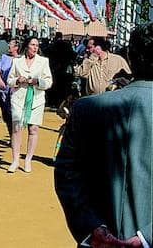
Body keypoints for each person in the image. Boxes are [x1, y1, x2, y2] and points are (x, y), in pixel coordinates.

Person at [55, 22, 152, 248]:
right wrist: (146, 238)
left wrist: (92, 228)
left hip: (98, 239)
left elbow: (66, 173)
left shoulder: (85, 109)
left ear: (130, 57)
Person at [6, 37, 53, 173]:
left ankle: (28, 160)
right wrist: (17, 80)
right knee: (17, 128)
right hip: (19, 98)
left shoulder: (43, 61)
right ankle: (15, 160)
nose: (35, 48)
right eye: (32, 45)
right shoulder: (16, 61)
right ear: (26, 46)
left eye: (37, 45)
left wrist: (37, 81)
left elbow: (49, 81)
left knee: (33, 129)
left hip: (36, 99)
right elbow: (9, 80)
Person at [0, 38, 20, 141]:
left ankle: (16, 137)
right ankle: (11, 135)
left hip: (17, 91)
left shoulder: (21, 60)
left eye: (11, 45)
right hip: (5, 89)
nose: (8, 46)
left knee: (15, 114)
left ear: (16, 47)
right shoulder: (3, 58)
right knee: (7, 114)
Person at [46, 32, 76, 108]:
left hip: (53, 69)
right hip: (65, 70)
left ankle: (52, 102)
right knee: (64, 88)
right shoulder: (66, 45)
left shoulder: (52, 45)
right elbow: (73, 55)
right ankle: (61, 103)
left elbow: (46, 54)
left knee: (54, 87)